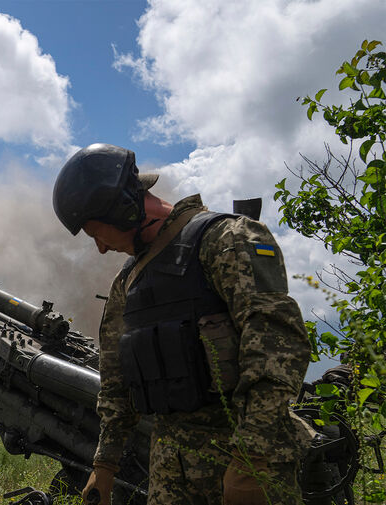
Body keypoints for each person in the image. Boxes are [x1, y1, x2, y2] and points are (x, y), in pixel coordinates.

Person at [52, 144, 311, 505]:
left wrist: (253, 459)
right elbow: (115, 381)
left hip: (246, 463)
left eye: (99, 234)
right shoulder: (127, 283)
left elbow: (276, 347)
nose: (100, 249)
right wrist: (105, 465)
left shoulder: (225, 240)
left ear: (125, 209)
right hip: (171, 470)